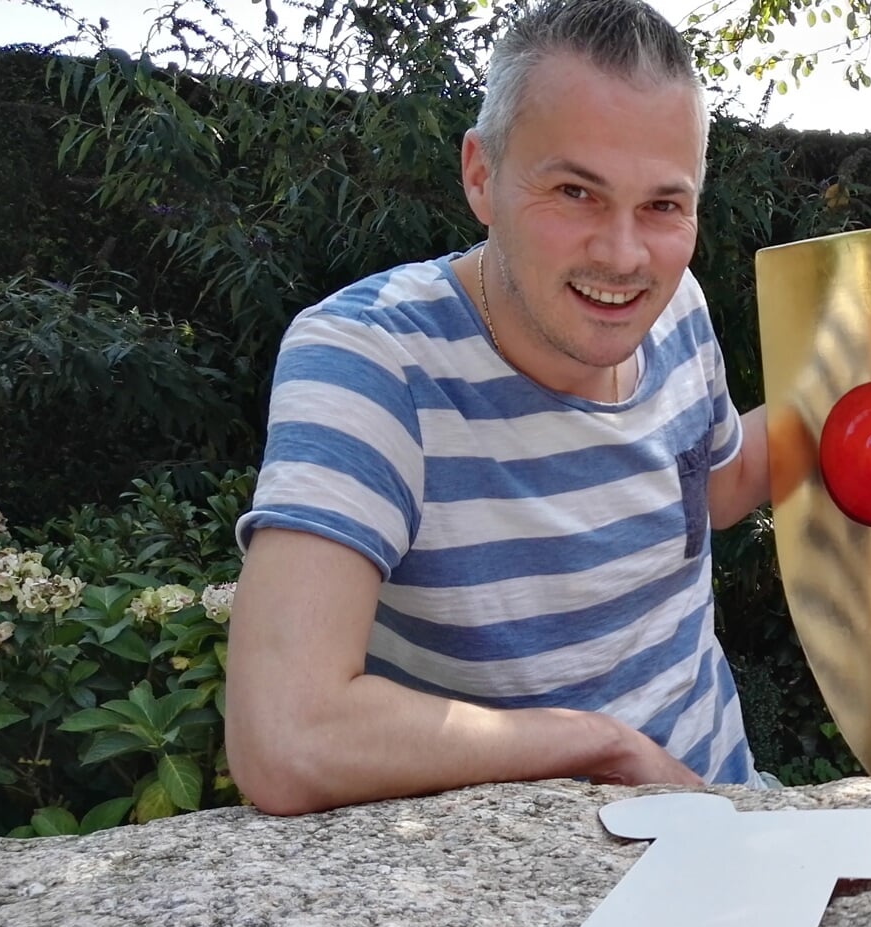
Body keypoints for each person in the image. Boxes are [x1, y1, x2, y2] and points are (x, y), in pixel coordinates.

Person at [226, 0, 768, 815]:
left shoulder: (679, 306)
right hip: (531, 886)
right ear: (482, 176)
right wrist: (600, 744)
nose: (624, 256)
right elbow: (287, 735)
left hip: (734, 818)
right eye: (576, 191)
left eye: (663, 205)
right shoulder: (373, 358)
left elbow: (717, 489)